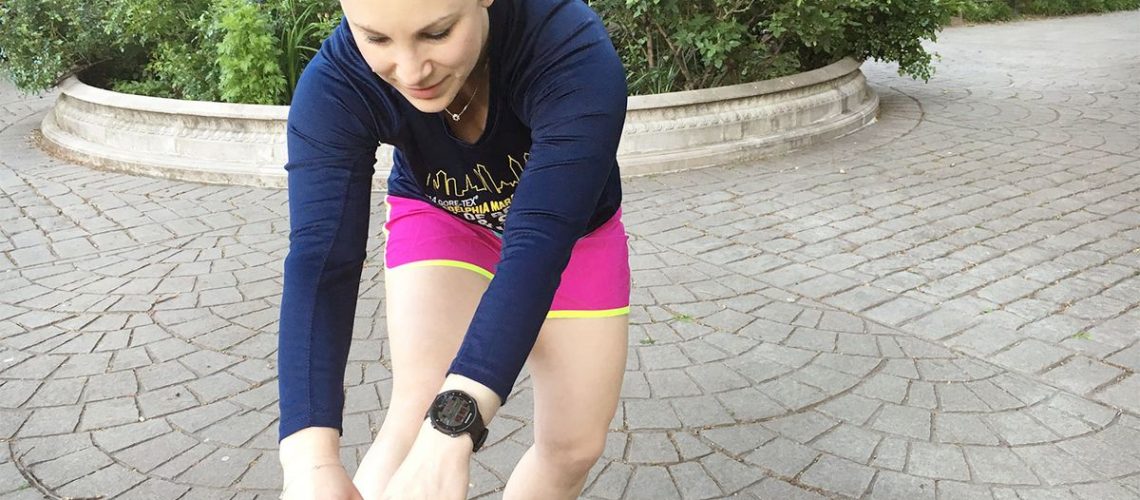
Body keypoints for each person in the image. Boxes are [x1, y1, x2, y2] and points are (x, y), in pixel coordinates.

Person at [275, 0, 630, 498]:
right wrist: (309, 462)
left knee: (573, 446)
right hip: (442, 213)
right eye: (376, 38)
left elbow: (539, 241)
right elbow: (320, 260)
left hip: (570, 233)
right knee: (417, 407)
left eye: (437, 33)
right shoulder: (339, 81)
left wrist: (453, 428)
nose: (411, 69)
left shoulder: (568, 45)